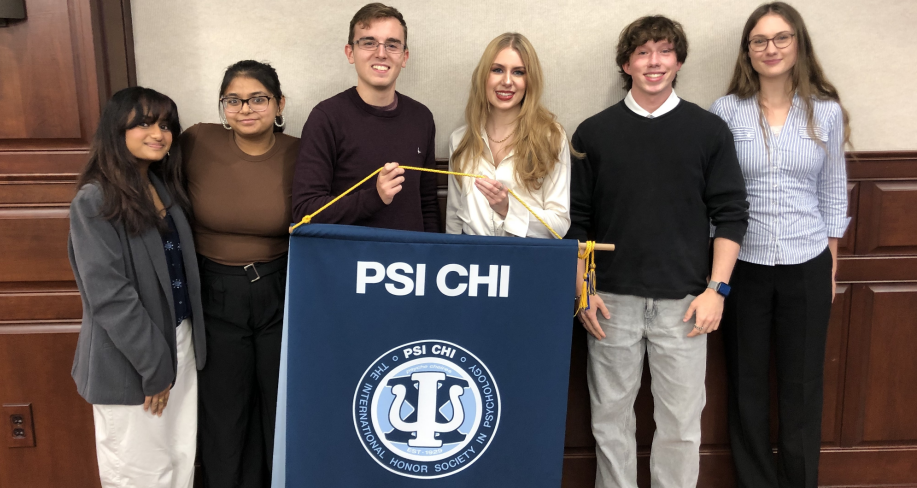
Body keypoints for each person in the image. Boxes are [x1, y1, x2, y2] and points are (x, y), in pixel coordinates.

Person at [566, 16, 749, 488]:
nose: (654, 62)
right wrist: (583, 291)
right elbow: (578, 223)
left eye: (664, 51)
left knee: (682, 428)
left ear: (679, 61)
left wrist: (717, 290)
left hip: (686, 305)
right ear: (626, 63)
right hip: (610, 303)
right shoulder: (593, 133)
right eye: (643, 52)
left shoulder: (708, 131)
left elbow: (731, 213)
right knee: (610, 423)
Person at [711, 3, 850, 486]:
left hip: (807, 263)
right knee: (747, 386)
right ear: (747, 51)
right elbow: (715, 196)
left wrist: (829, 267)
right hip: (743, 265)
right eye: (759, 40)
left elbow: (833, 191)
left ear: (798, 44)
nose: (770, 49)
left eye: (781, 38)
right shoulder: (725, 112)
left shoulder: (826, 112)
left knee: (803, 388)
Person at [69, 86, 205, 488]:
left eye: (165, 125)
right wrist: (155, 367)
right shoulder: (95, 200)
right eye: (144, 123)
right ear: (117, 128)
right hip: (133, 359)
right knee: (139, 474)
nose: (158, 133)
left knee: (179, 462)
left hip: (178, 343)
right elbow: (110, 297)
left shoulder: (163, 187)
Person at [181, 60, 300, 488]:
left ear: (279, 103)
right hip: (215, 293)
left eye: (258, 98)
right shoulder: (196, 140)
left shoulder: (300, 152)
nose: (245, 108)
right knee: (224, 413)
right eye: (233, 100)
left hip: (281, 290)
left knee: (279, 408)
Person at [291, 2, 439, 232]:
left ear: (404, 56)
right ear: (350, 52)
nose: (381, 53)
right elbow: (305, 210)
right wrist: (375, 197)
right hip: (349, 261)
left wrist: (432, 256)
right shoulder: (326, 117)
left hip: (410, 263)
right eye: (369, 43)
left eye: (392, 45)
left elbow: (428, 205)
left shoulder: (422, 117)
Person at [447, 32, 576, 238]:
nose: (507, 81)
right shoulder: (460, 140)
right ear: (483, 76)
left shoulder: (551, 137)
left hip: (526, 261)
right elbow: (454, 218)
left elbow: (558, 226)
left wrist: (509, 210)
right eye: (497, 70)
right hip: (474, 263)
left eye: (518, 72)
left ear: (530, 80)